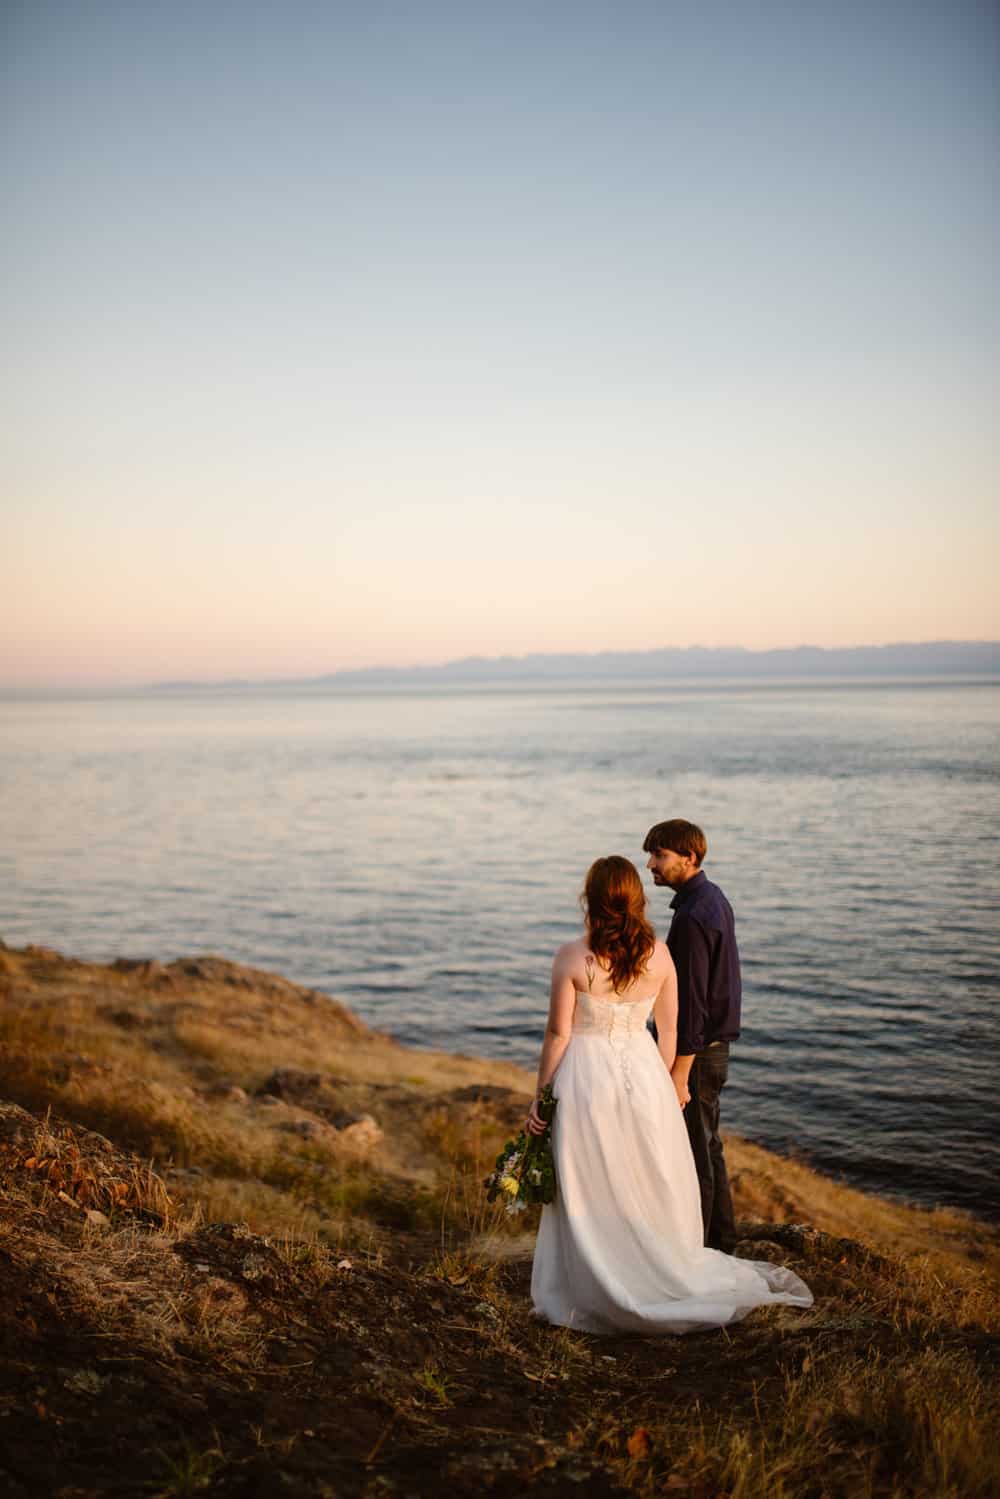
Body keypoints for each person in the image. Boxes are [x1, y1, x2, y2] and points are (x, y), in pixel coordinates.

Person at [528, 855, 811, 1335]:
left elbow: (558, 1034)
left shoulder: (572, 956)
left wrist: (541, 1097)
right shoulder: (660, 955)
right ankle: (654, 1262)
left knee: (589, 1176)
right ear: (636, 900)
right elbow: (673, 1032)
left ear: (590, 899)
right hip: (643, 1070)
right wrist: (661, 1085)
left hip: (587, 1076)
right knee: (646, 1171)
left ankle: (596, 1277)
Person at [643, 820, 739, 1253]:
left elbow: (693, 1005)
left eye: (660, 856)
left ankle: (696, 1255)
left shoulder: (693, 917)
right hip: (712, 1050)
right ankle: (722, 1243)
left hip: (697, 1056)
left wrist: (680, 1072)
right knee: (709, 1147)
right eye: (652, 855)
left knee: (695, 1154)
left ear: (690, 858)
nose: (651, 865)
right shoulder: (711, 899)